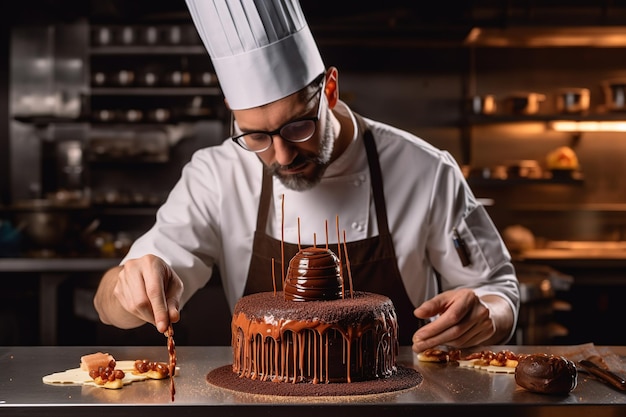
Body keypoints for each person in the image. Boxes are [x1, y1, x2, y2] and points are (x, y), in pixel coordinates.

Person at [94, 0, 520, 352]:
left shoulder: (425, 170)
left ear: (329, 91)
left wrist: (488, 316)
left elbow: (496, 289)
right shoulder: (216, 174)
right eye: (256, 136)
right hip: (261, 405)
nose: (281, 155)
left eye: (298, 126)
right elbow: (109, 301)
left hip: (401, 402)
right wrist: (127, 290)